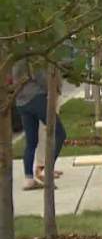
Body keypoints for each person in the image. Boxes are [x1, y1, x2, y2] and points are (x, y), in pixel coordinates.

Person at [13, 59, 67, 190]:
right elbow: (41, 78)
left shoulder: (15, 57)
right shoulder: (33, 57)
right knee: (59, 133)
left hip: (21, 102)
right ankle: (46, 170)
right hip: (37, 98)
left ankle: (29, 178)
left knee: (31, 141)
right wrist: (53, 89)